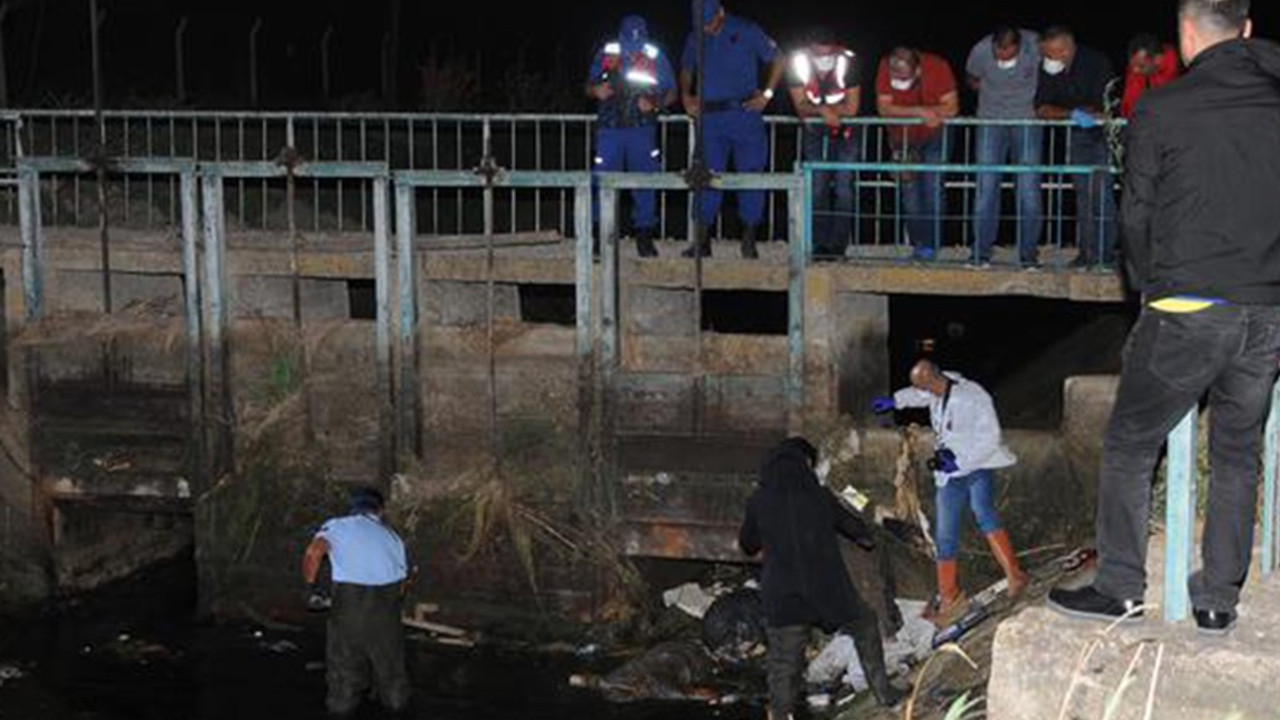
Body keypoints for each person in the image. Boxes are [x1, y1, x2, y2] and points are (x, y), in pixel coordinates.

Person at [1049, 0, 1280, 636]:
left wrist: (1152, 289)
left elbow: (1134, 216)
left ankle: (1120, 586)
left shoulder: (1162, 107)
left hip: (1187, 306)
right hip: (1267, 308)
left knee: (1129, 442)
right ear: (1249, 30)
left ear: (1183, 36)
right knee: (1237, 453)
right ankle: (1217, 600)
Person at [739, 438, 906, 715]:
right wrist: (867, 537)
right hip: (828, 591)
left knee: (783, 663)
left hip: (783, 596)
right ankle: (884, 693)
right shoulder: (820, 495)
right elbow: (856, 529)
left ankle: (781, 716)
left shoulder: (759, 500)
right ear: (804, 465)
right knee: (865, 626)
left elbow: (748, 544)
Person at [873, 361, 1030, 623]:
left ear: (934, 380)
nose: (923, 394)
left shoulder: (973, 397)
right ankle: (950, 598)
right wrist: (895, 401)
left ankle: (1015, 574)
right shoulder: (937, 389)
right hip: (950, 474)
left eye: (924, 388)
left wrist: (961, 461)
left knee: (984, 515)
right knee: (945, 534)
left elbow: (991, 438)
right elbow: (917, 395)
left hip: (978, 465)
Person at [681, 0, 784, 259]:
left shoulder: (747, 30)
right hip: (710, 118)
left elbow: (778, 59)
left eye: (709, 23)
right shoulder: (696, 35)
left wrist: (768, 94)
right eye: (701, 24)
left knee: (751, 175)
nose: (706, 29)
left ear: (721, 13)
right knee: (705, 176)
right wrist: (686, 95)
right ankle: (702, 240)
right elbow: (686, 67)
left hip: (744, 114)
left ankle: (749, 240)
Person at [302, 486, 412, 716]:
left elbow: (314, 552)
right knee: (391, 673)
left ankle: (342, 705)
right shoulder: (394, 537)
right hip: (387, 610)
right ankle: (396, 703)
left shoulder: (338, 525)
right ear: (379, 511)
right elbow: (403, 586)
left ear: (353, 508)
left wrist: (311, 589)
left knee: (344, 672)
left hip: (349, 607)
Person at [587, 15, 678, 258]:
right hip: (610, 129)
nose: (633, 48)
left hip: (642, 130)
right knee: (602, 182)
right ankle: (599, 236)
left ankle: (644, 236)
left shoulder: (654, 55)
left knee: (646, 181)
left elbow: (672, 92)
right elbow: (588, 86)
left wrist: (655, 103)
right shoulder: (607, 51)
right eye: (629, 42)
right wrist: (595, 90)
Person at [1035, 27, 1118, 270]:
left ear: (1066, 49)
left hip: (1103, 134)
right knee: (1082, 196)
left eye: (1051, 54)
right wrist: (1071, 113)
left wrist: (1075, 111)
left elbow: (1105, 105)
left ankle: (1105, 255)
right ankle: (1087, 253)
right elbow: (1040, 109)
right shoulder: (1049, 68)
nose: (1047, 60)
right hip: (1077, 132)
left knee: (1102, 195)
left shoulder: (1097, 62)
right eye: (1045, 54)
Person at [966, 26, 1044, 270]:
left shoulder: (1035, 46)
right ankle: (980, 253)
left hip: (1027, 120)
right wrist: (989, 92)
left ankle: (1028, 255)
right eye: (998, 54)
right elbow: (971, 77)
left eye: (1008, 55)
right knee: (986, 188)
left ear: (1019, 47)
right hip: (990, 120)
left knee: (1029, 189)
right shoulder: (980, 49)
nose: (1003, 59)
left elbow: (1054, 73)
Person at [875, 47, 959, 263]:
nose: (898, 82)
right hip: (901, 138)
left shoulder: (938, 67)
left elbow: (952, 108)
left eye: (904, 78)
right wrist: (921, 112)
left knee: (932, 187)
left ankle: (932, 243)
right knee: (909, 191)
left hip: (936, 135)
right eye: (896, 78)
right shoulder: (885, 66)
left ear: (918, 71)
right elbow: (884, 109)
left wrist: (929, 113)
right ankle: (919, 243)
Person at [788, 34, 861, 259]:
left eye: (828, 49)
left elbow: (853, 108)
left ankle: (838, 246)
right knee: (817, 186)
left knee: (843, 188)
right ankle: (818, 245)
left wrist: (827, 112)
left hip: (846, 131)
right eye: (819, 49)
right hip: (813, 131)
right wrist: (821, 111)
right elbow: (799, 106)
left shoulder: (849, 61)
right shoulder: (797, 62)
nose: (824, 54)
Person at [1121, 33, 1182, 118]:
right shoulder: (1138, 66)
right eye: (1132, 66)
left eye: (1141, 66)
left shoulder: (1181, 65)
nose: (1135, 70)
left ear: (1158, 59)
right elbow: (1130, 106)